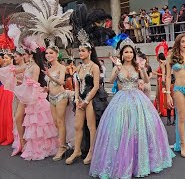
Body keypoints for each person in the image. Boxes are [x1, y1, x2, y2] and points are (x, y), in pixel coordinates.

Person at [89, 38, 173, 178]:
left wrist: (142, 69)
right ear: (122, 54)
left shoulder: (136, 66)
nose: (128, 54)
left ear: (134, 53)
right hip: (121, 99)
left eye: (130, 52)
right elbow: (109, 81)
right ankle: (121, 161)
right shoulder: (118, 67)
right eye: (126, 52)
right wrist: (116, 70)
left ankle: (141, 161)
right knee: (121, 129)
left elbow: (146, 81)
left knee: (140, 128)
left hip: (137, 98)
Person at [65, 37, 102, 165]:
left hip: (90, 100)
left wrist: (86, 101)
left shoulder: (95, 67)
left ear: (89, 52)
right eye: (79, 51)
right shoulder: (79, 67)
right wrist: (76, 99)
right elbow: (76, 85)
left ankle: (92, 151)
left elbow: (96, 86)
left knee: (91, 127)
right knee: (77, 126)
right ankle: (77, 151)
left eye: (83, 51)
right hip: (80, 100)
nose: (80, 53)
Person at [43, 46, 69, 161]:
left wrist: (49, 76)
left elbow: (62, 82)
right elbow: (51, 84)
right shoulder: (49, 67)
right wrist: (46, 88)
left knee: (60, 121)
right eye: (47, 53)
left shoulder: (61, 67)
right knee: (55, 122)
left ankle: (62, 147)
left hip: (61, 96)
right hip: (51, 97)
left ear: (57, 54)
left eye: (51, 53)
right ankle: (61, 143)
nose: (48, 55)